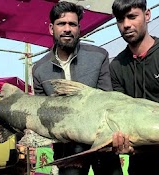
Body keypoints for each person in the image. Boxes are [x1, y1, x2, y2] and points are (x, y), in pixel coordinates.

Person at [34, 2, 122, 174]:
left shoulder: (98, 56)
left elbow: (106, 100)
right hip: (67, 150)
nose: (67, 29)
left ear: (79, 28)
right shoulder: (39, 69)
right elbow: (41, 113)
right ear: (52, 29)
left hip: (101, 144)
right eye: (61, 24)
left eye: (72, 24)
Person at [108, 0, 159, 173]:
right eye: (120, 20)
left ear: (147, 15)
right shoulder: (116, 66)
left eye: (132, 17)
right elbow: (121, 112)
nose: (126, 25)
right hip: (139, 152)